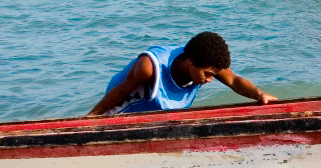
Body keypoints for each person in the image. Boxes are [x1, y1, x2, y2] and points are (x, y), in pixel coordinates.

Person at [87, 32, 275, 116]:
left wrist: (259, 95)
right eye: (207, 75)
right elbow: (120, 92)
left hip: (159, 115)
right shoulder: (149, 67)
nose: (210, 80)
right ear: (190, 62)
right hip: (122, 110)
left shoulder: (207, 61)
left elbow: (234, 80)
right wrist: (91, 118)